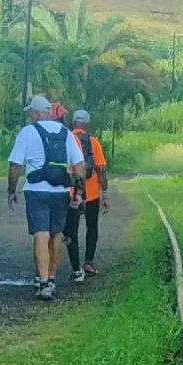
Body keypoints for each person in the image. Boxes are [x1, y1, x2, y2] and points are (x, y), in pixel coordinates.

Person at [6, 94, 84, 300]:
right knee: (56, 235)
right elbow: (79, 165)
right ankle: (51, 279)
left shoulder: (27, 132)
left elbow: (15, 165)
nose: (30, 116)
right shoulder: (65, 133)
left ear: (37, 113)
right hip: (60, 191)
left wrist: (11, 190)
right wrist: (78, 192)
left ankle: (42, 283)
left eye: (31, 113)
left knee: (41, 235)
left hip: (36, 190)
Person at [64, 107, 108, 284]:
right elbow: (101, 169)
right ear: (87, 125)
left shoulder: (66, 139)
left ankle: (75, 267)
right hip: (91, 194)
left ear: (73, 123)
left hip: (72, 193)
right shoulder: (93, 142)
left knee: (71, 231)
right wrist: (105, 193)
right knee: (92, 226)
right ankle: (88, 262)